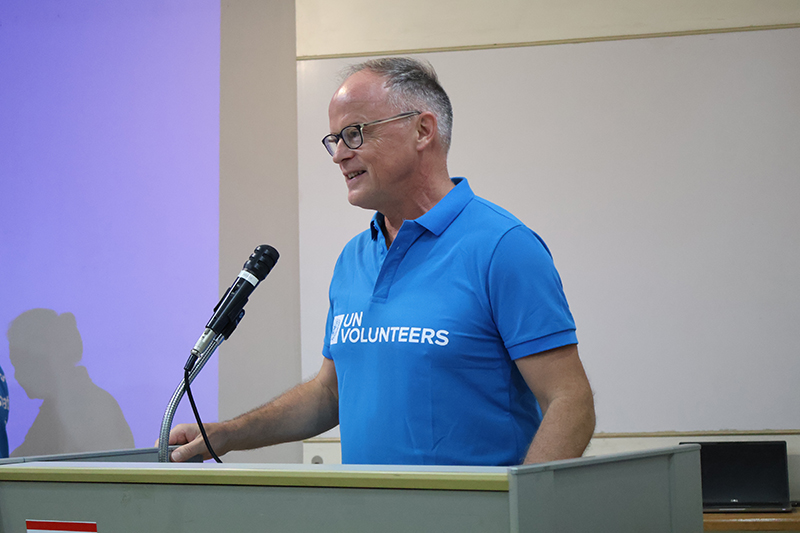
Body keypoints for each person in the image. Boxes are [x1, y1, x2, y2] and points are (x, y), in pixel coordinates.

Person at [169, 57, 595, 465]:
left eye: (354, 132)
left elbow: (569, 402)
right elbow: (331, 394)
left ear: (423, 130)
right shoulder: (354, 258)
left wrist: (519, 511)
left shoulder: (503, 247)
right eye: (334, 140)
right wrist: (225, 434)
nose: (339, 154)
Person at [7, 308, 135, 457]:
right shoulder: (60, 405)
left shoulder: (82, 408)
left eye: (18, 364)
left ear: (43, 357)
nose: (16, 375)